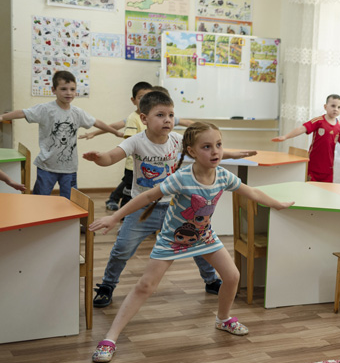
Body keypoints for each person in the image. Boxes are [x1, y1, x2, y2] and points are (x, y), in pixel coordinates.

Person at [88, 121, 294, 363]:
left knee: (232, 276)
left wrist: (277, 203)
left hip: (204, 236)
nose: (215, 151)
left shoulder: (224, 176)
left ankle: (223, 319)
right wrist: (115, 217)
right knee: (145, 286)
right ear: (192, 151)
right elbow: (147, 196)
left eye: (218, 145)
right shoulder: (182, 178)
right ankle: (110, 338)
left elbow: (253, 192)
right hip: (171, 240)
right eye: (207, 146)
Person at [84, 90, 255, 308]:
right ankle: (108, 285)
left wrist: (231, 153)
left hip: (175, 208)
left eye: (171, 115)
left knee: (200, 243)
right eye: (160, 115)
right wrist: (99, 158)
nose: (168, 120)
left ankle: (211, 280)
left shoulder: (177, 140)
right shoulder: (136, 141)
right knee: (122, 249)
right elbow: (111, 157)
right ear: (144, 118)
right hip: (142, 208)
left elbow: (206, 148)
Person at [0, 71, 121, 199]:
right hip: (46, 166)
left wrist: (115, 132)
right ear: (54, 90)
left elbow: (96, 122)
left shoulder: (77, 113)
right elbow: (23, 113)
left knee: (71, 202)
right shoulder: (45, 109)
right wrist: (2, 117)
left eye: (72, 89)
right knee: (39, 199)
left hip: (69, 169)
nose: (68, 93)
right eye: (63, 89)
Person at [81, 81, 153, 211]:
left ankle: (114, 199)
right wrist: (94, 133)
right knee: (129, 186)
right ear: (133, 100)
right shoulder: (133, 118)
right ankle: (122, 211)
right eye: (141, 97)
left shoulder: (153, 117)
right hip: (134, 162)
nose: (145, 101)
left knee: (129, 183)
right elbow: (113, 127)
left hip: (146, 163)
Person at [271, 94, 340, 182]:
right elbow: (302, 128)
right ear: (325, 107)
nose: (335, 109)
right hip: (313, 166)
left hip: (328, 169)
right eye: (333, 106)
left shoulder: (339, 127)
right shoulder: (318, 121)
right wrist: (285, 136)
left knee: (326, 192)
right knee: (310, 190)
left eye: (339, 107)